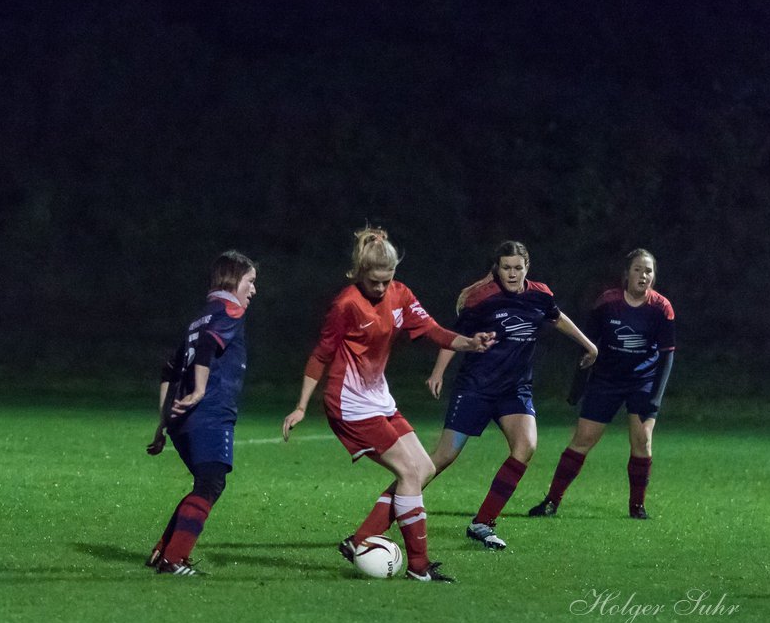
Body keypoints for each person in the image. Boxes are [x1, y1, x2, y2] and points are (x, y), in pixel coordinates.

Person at [281, 226, 495, 582]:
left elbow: (433, 331)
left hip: (378, 397)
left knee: (423, 468)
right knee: (409, 473)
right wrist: (302, 405)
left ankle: (361, 539)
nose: (380, 288)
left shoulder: (400, 294)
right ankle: (419, 566)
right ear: (359, 273)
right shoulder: (346, 304)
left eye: (387, 280)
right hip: (349, 403)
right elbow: (321, 355)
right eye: (374, 281)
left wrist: (471, 343)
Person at [424, 241, 598, 550]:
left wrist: (589, 345)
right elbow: (454, 337)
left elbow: (557, 318)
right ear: (497, 269)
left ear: (527, 268)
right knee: (443, 457)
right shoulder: (481, 299)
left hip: (514, 390)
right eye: (506, 268)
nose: (513, 273)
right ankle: (389, 507)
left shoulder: (539, 295)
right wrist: (438, 372)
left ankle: (483, 523)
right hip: (476, 387)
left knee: (526, 446)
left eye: (518, 268)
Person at [528, 248, 675, 520]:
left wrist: (656, 397)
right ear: (626, 274)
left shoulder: (661, 308)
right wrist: (578, 386)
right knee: (583, 439)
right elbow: (588, 348)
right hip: (606, 379)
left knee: (642, 440)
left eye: (649, 271)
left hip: (642, 381)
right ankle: (551, 502)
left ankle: (637, 508)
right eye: (638, 270)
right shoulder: (607, 303)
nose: (643, 275)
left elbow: (667, 355)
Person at [145, 251, 258, 576]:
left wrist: (163, 424)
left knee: (205, 484)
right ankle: (173, 560)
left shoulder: (201, 316)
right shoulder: (229, 311)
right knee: (211, 483)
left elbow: (168, 369)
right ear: (233, 279)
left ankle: (163, 552)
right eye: (250, 282)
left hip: (182, 419)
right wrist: (198, 391)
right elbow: (209, 346)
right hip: (207, 413)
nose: (253, 290)